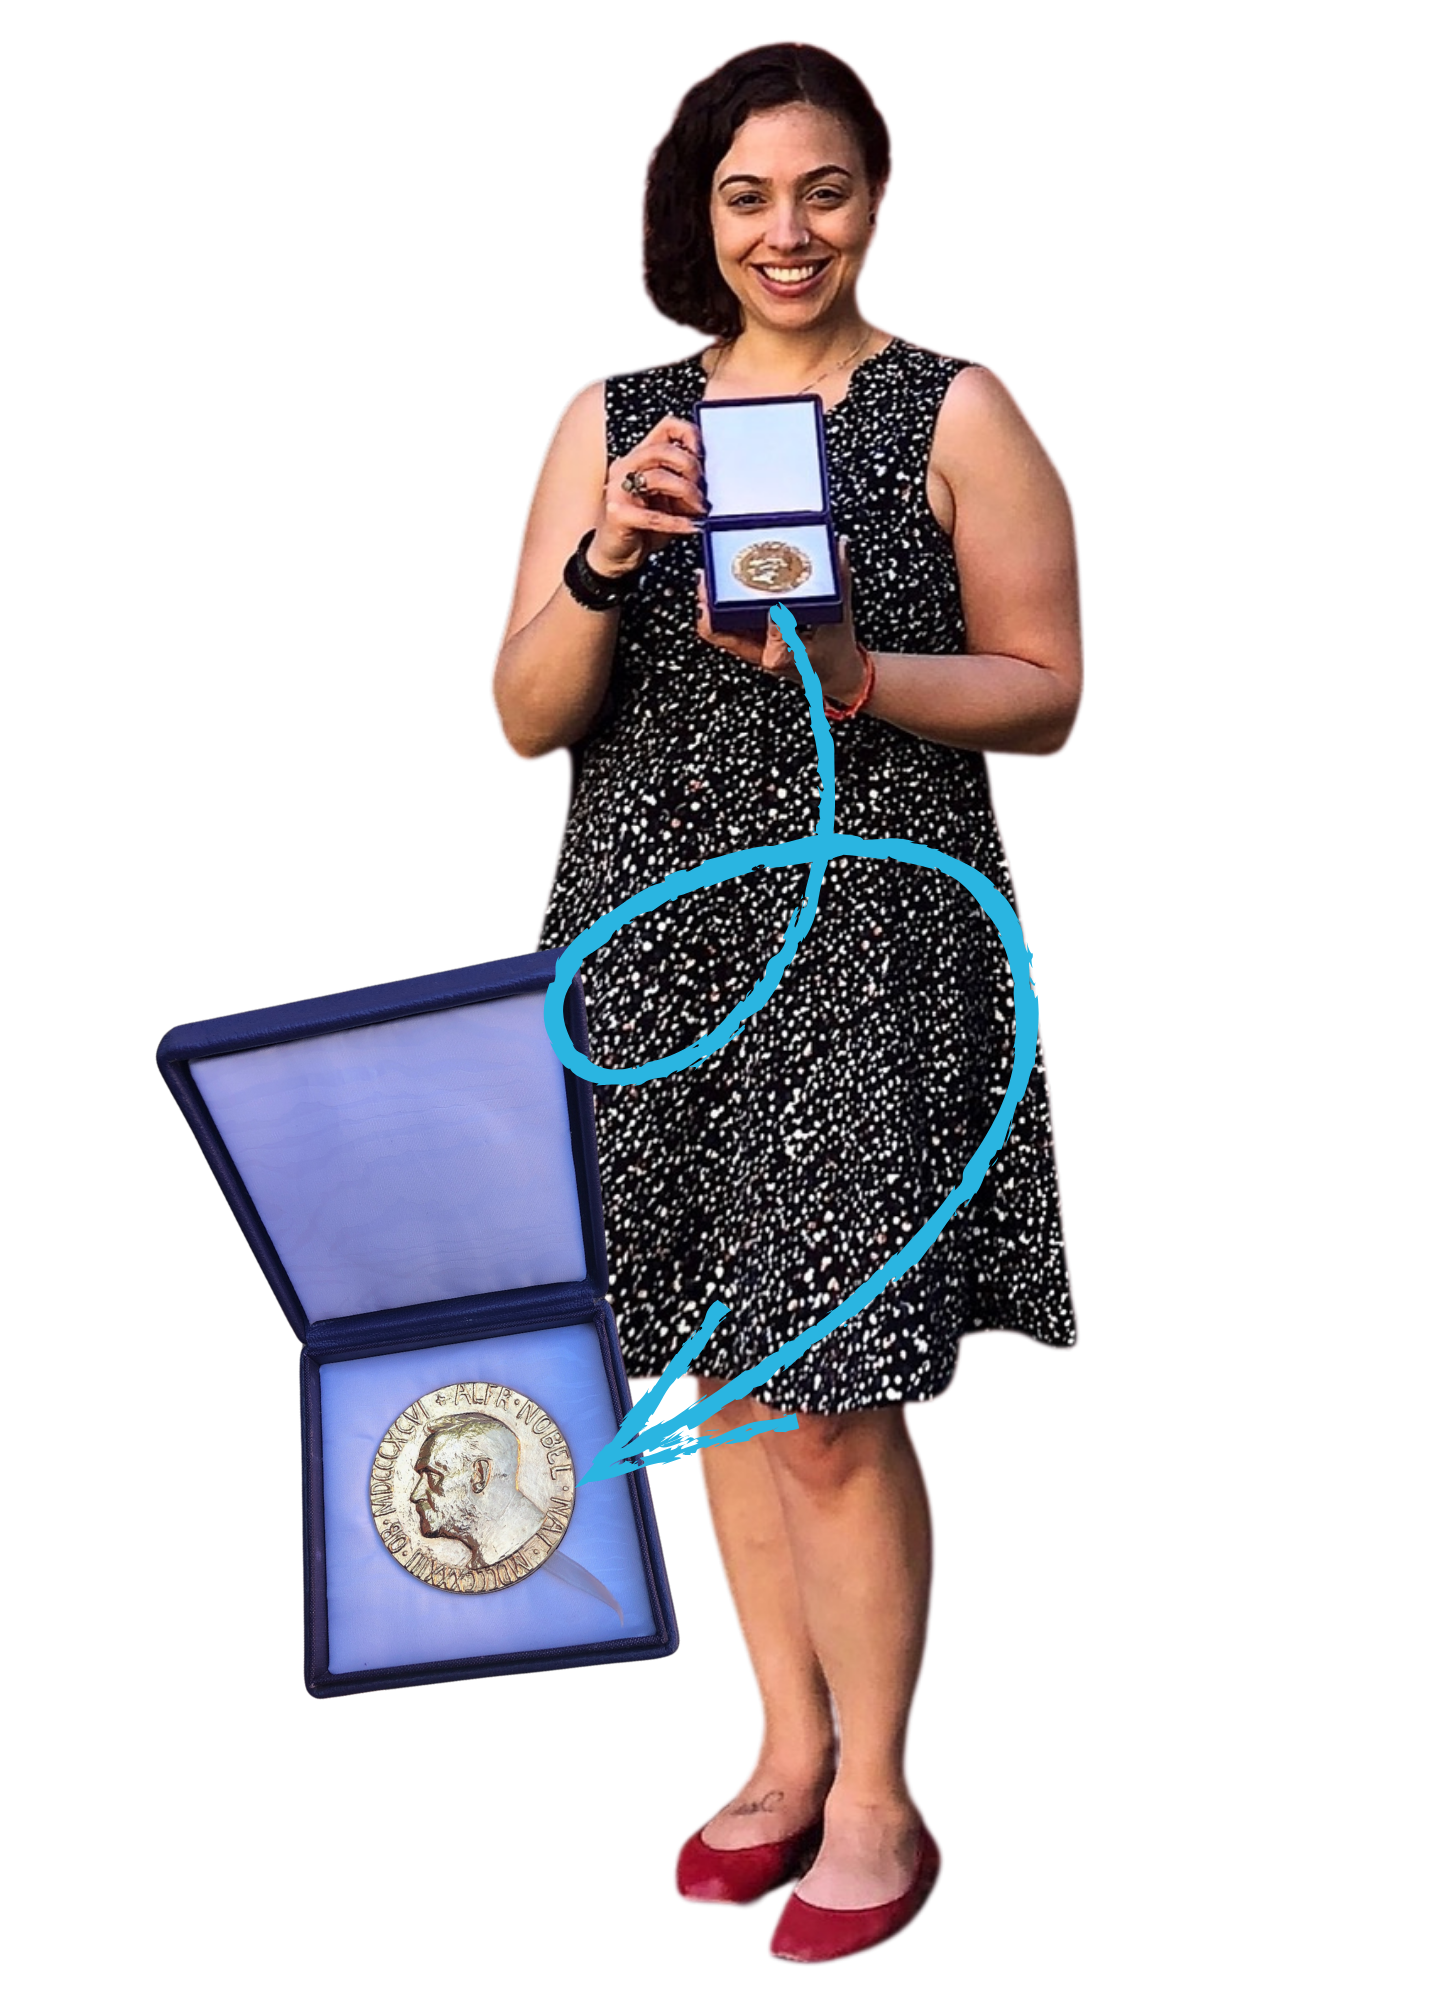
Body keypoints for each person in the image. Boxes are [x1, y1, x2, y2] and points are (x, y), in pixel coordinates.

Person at [489, 42, 1081, 1965]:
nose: (787, 231)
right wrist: (609, 552)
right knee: (716, 1385)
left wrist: (859, 669)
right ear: (703, 215)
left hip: (864, 938)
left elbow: (1050, 694)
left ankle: (883, 1800)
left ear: (876, 200)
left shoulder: (954, 407)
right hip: (652, 941)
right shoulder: (616, 420)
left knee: (831, 1401)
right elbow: (522, 720)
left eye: (823, 190)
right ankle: (785, 1749)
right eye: (747, 197)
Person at [409, 1414, 546, 1568]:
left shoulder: (519, 1542)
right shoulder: (489, 1556)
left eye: (433, 1476)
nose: (415, 1495)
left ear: (479, 1476)